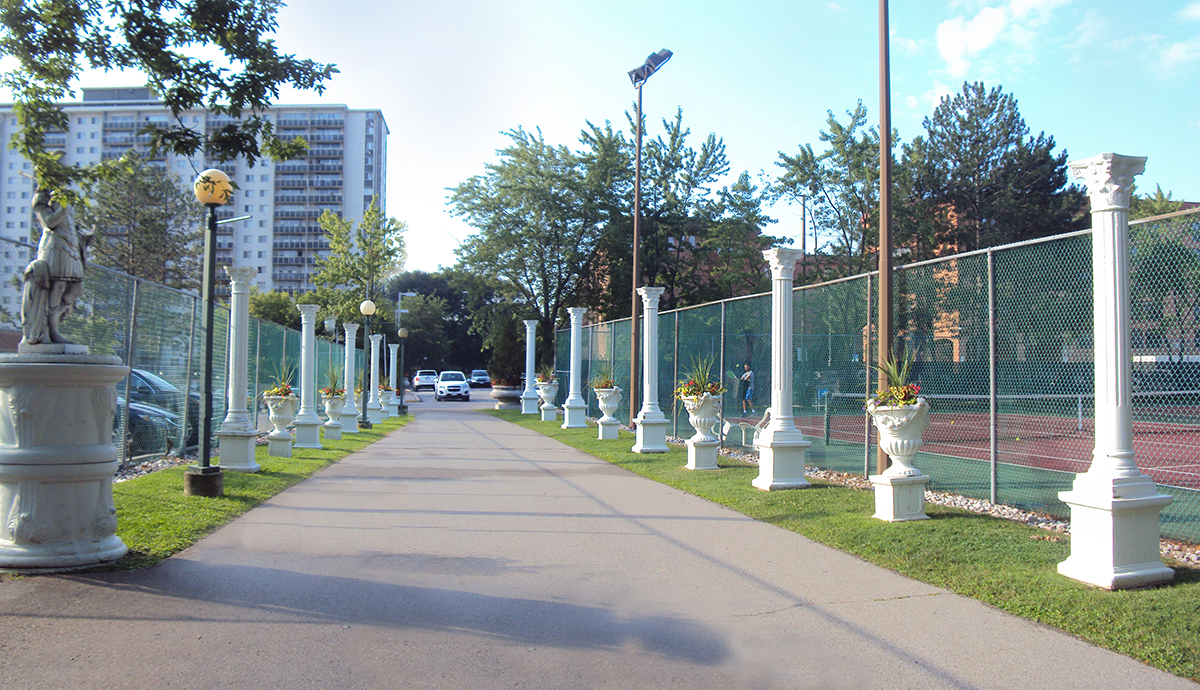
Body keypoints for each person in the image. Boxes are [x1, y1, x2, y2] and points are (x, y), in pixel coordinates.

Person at [21, 189, 92, 346]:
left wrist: (85, 237)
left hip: (71, 246)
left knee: (77, 287)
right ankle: (51, 328)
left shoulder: (62, 194)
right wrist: (64, 206)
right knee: (58, 285)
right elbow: (49, 222)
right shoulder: (42, 198)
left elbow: (69, 224)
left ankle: (54, 320)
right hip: (55, 245)